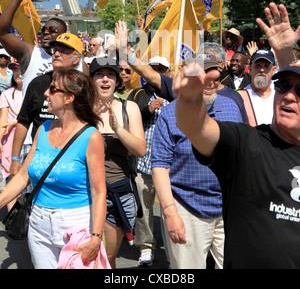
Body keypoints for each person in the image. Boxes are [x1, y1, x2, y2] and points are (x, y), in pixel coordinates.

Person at [173, 3, 300, 269]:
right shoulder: (246, 143)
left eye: (299, 91)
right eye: (284, 85)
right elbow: (197, 128)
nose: (288, 95)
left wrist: (286, 54)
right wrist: (189, 100)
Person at [0, 68, 107, 269]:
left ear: (69, 98)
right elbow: (23, 176)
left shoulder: (90, 136)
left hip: (76, 225)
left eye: (52, 89)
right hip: (39, 225)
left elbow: (99, 191)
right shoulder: (42, 129)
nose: (46, 94)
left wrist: (96, 236)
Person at [152, 54, 244, 269]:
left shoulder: (232, 107)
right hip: (187, 209)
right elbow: (160, 167)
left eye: (211, 73)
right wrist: (170, 213)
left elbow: (241, 158)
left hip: (228, 210)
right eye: (200, 75)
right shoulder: (170, 113)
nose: (207, 81)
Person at [89, 56, 146, 269]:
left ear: (117, 80)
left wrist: (118, 129)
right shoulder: (81, 109)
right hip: (85, 194)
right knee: (90, 257)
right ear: (91, 79)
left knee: (106, 258)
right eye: (99, 75)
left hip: (118, 193)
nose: (105, 80)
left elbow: (140, 150)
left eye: (110, 74)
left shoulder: (128, 108)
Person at [10, 33, 84, 178]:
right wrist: (15, 159)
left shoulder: (83, 86)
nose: (56, 54)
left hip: (72, 161)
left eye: (64, 50)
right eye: (55, 50)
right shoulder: (38, 83)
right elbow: (23, 121)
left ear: (77, 58)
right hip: (38, 158)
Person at [128, 56, 170, 267]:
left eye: (162, 69)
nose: (157, 72)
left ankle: (174, 252)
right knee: (143, 209)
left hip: (170, 166)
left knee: (170, 209)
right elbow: (128, 123)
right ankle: (146, 247)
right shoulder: (137, 94)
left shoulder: (176, 94)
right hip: (144, 164)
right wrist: (148, 109)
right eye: (153, 68)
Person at [0, 0, 67, 95]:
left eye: (52, 30)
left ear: (64, 36)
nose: (45, 33)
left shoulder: (76, 60)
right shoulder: (31, 54)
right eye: (43, 30)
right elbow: (3, 32)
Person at [0, 62, 22, 210]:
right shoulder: (6, 94)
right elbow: (3, 119)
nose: (18, 74)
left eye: (21, 70)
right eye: (15, 70)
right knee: (11, 178)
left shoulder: (36, 92)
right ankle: (11, 220)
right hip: (9, 141)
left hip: (29, 139)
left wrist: (14, 122)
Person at [240, 49, 277, 126]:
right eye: (257, 66)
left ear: (273, 70)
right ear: (250, 69)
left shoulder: (280, 96)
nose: (262, 70)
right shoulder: (239, 96)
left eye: (266, 66)